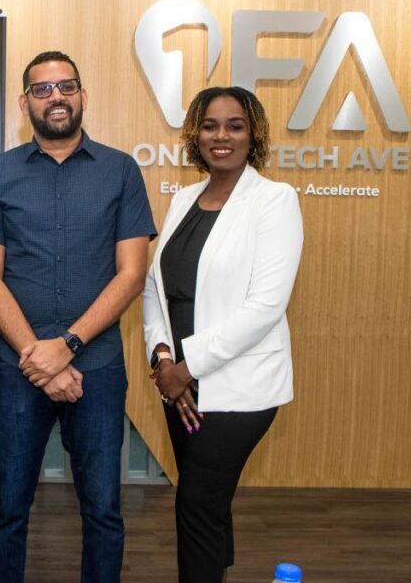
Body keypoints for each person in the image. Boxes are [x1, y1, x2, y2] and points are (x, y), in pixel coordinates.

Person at [0, 50, 156, 583]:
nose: (56, 97)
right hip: (16, 370)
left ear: (83, 95)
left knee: (102, 510)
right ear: (25, 101)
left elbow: (131, 275)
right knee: (7, 509)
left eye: (66, 86)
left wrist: (65, 347)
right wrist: (38, 355)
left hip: (95, 368)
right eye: (43, 89)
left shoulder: (120, 170)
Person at [141, 86, 303, 583]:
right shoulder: (185, 198)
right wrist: (163, 358)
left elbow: (265, 308)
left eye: (235, 125)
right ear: (195, 134)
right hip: (180, 386)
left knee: (197, 502)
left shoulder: (275, 201)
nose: (222, 135)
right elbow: (156, 287)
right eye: (210, 125)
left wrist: (186, 368)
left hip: (239, 389)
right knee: (206, 500)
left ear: (252, 133)